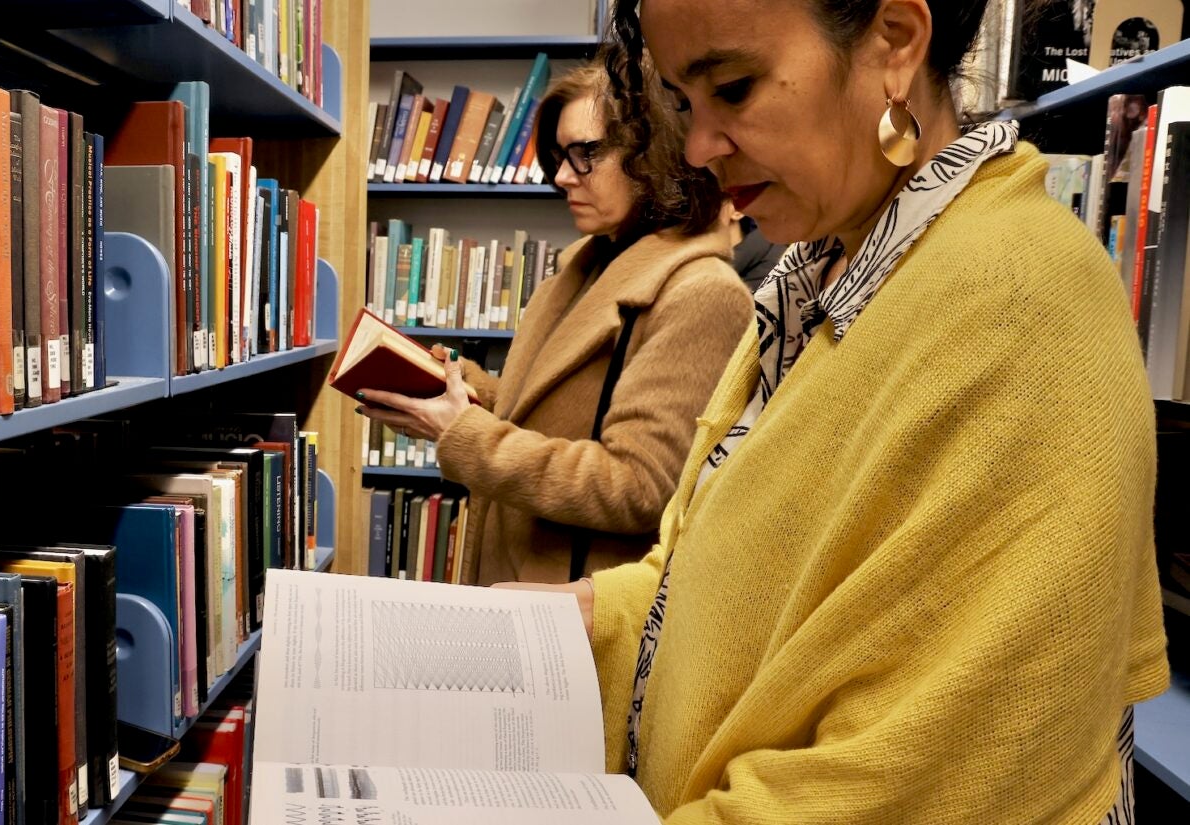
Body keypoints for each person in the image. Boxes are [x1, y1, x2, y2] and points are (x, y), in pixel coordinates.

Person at [504, 0, 1170, 821]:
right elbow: (719, 582)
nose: (702, 147)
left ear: (893, 43)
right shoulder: (815, 275)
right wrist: (583, 616)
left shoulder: (1019, 301)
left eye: (735, 88)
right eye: (683, 104)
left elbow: (915, 773)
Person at [356, 63, 753, 585]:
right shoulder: (583, 269)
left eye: (586, 153)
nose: (564, 176)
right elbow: (550, 417)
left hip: (580, 610)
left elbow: (640, 487)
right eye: (562, 156)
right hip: (519, 578)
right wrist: (462, 387)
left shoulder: (703, 293)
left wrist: (467, 435)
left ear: (655, 154)